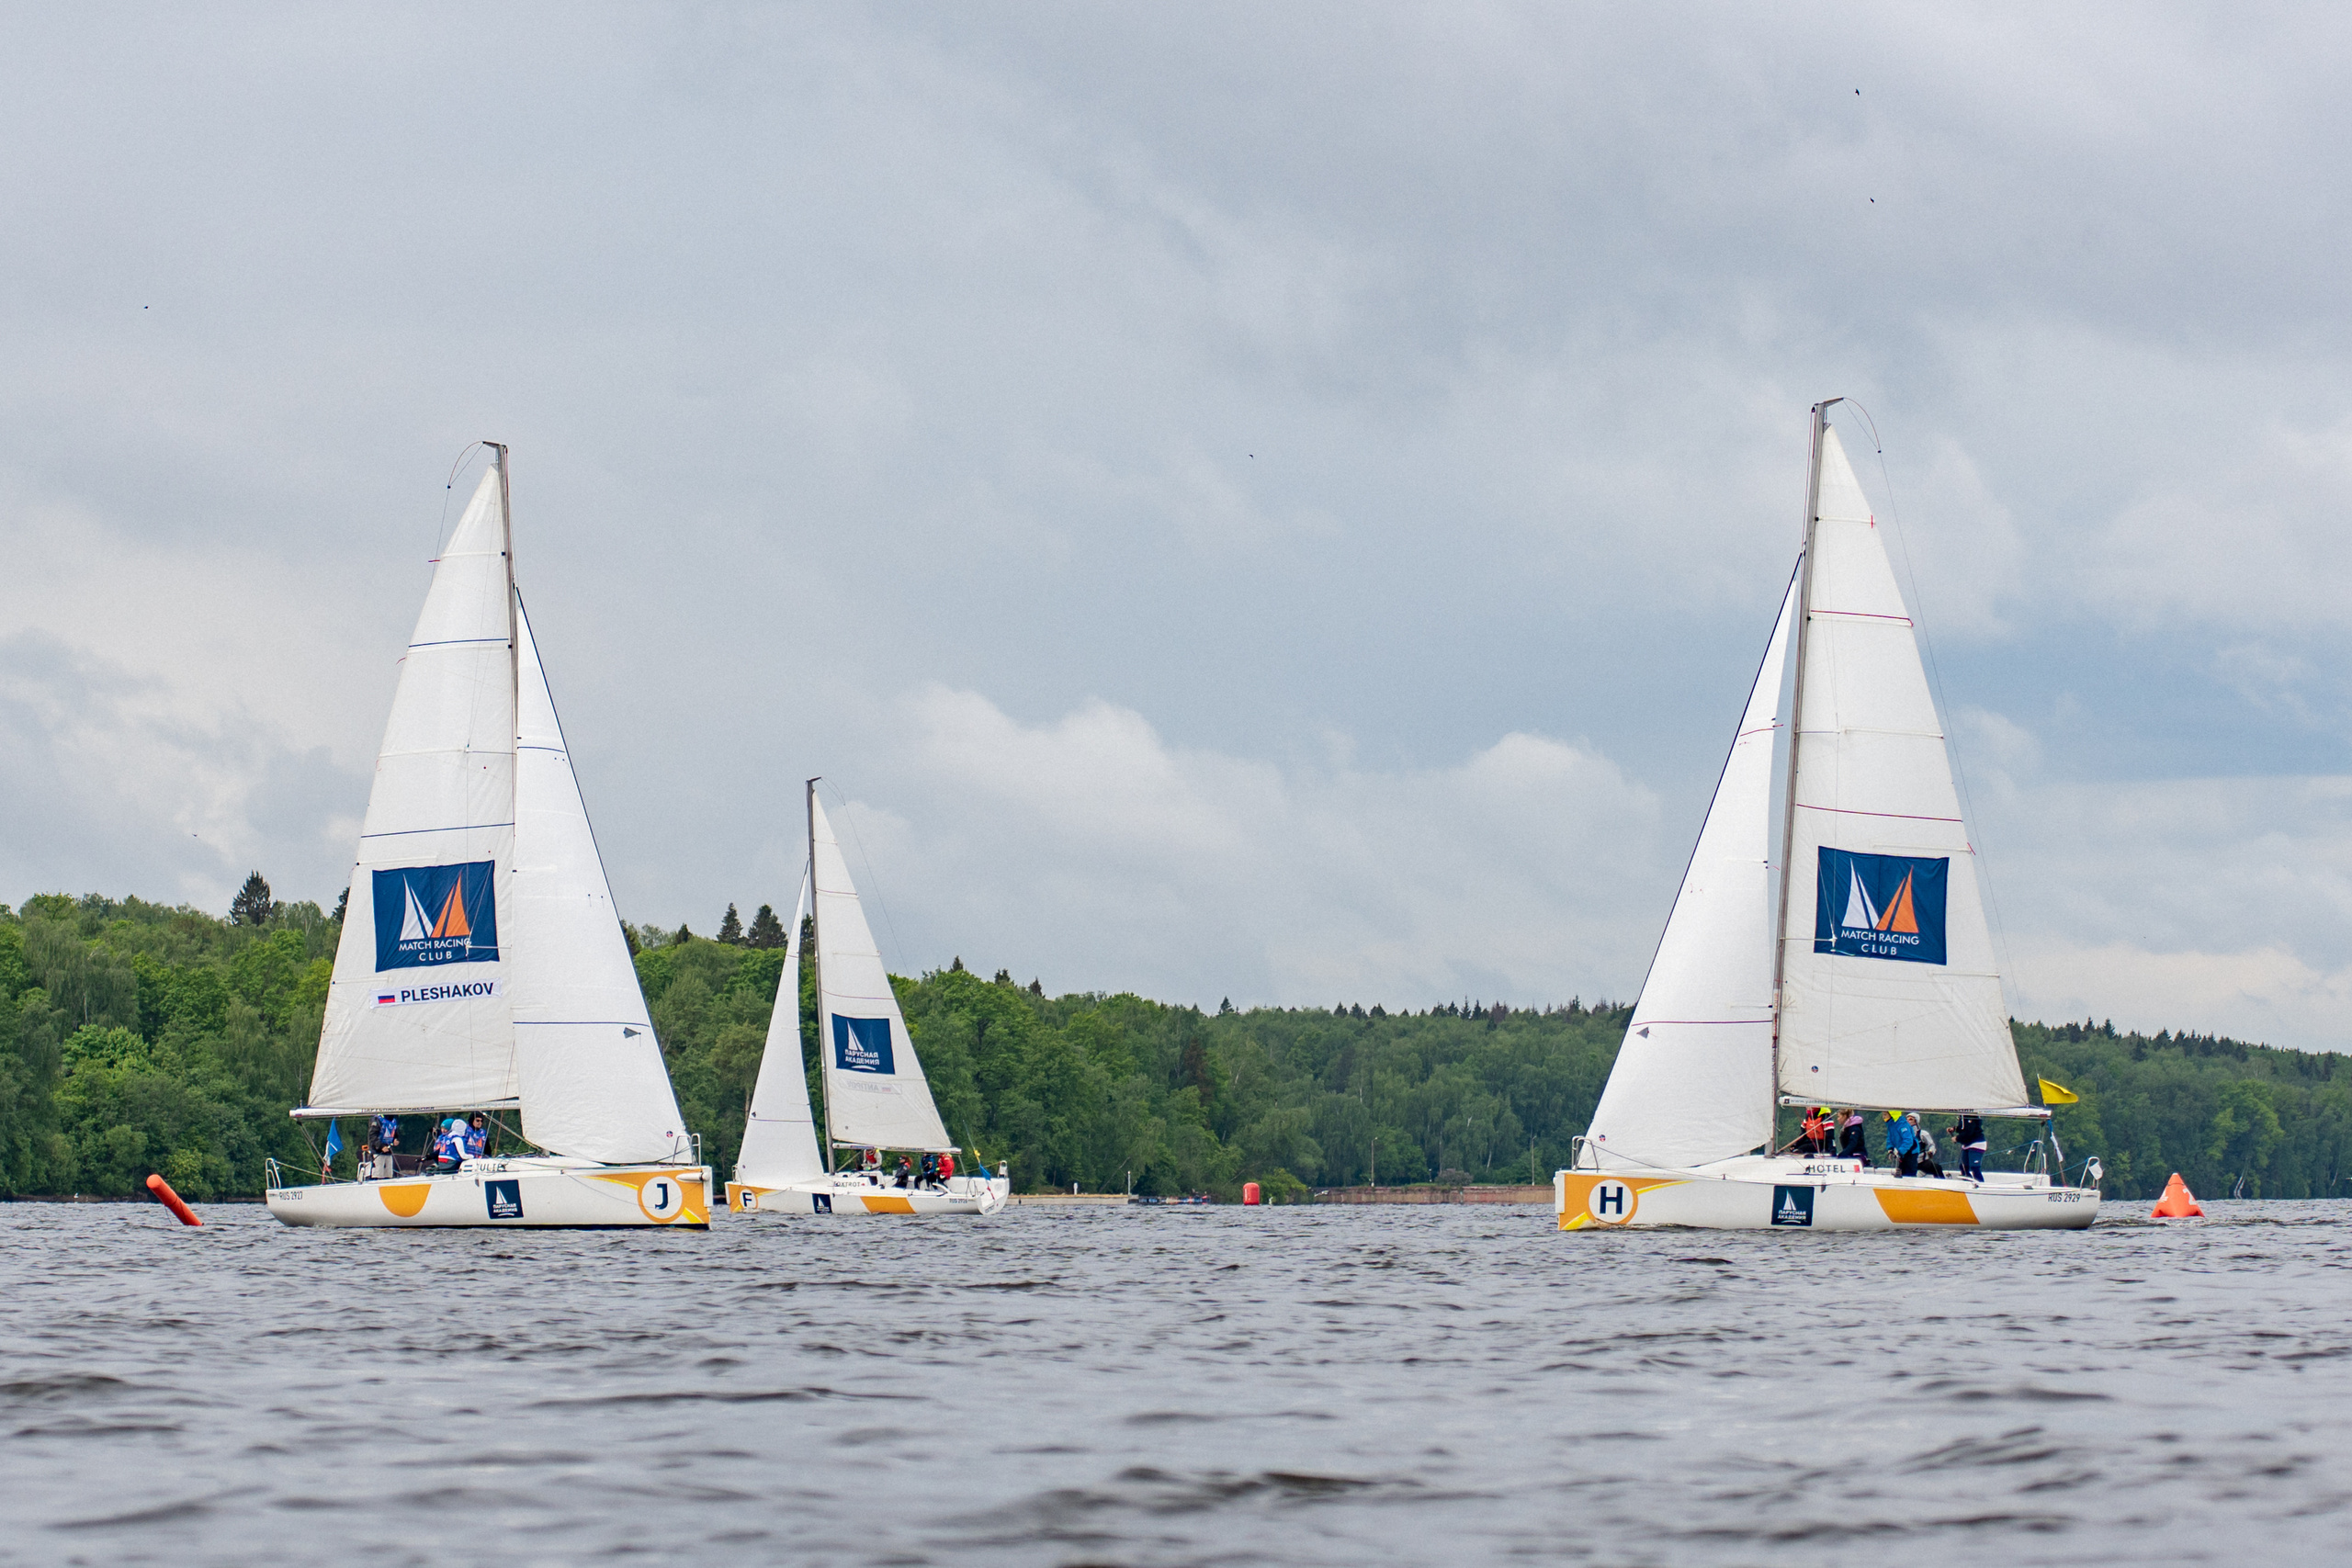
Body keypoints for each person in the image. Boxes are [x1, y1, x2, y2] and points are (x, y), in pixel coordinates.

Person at [1949, 1113, 1987, 1183]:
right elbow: (1963, 1128)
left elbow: (1969, 1131)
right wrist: (1955, 1129)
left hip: (1976, 1144)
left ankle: (1980, 1184)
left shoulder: (1970, 1115)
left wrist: (1957, 1138)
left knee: (1974, 1168)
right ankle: (1967, 1182)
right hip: (1967, 1144)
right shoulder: (1963, 1116)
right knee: (1963, 1167)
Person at [1884, 1110, 1920, 1177]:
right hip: (1902, 1152)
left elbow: (1908, 1140)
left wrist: (1900, 1152)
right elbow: (1890, 1137)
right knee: (1901, 1172)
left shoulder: (1902, 1124)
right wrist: (1890, 1149)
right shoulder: (1891, 1124)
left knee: (1910, 1174)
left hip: (1911, 1152)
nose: (1883, 1117)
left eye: (1885, 1114)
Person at [1910, 1113, 1944, 1179]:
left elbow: (1931, 1145)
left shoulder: (1923, 1134)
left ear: (1916, 1121)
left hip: (1921, 1162)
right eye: (1907, 1119)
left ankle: (1941, 1183)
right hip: (1908, 1162)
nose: (1908, 1121)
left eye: (1911, 1119)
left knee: (1937, 1168)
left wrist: (1931, 1152)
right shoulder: (1903, 1134)